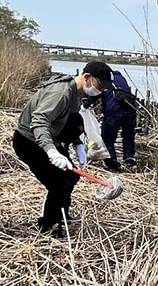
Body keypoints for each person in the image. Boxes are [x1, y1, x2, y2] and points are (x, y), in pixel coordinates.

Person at [12, 61, 114, 237]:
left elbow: (68, 120)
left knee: (71, 175)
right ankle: (47, 226)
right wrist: (51, 151)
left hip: (50, 139)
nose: (102, 90)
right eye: (100, 85)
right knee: (59, 184)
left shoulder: (76, 93)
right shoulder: (61, 93)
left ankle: (61, 214)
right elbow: (39, 122)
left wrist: (78, 144)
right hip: (29, 141)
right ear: (87, 77)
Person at [83, 69, 138, 172]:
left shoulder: (104, 80)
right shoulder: (121, 79)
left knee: (108, 139)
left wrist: (84, 106)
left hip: (113, 113)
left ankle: (113, 163)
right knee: (128, 136)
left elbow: (95, 95)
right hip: (130, 112)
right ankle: (129, 159)